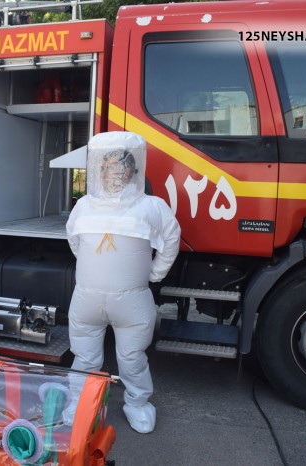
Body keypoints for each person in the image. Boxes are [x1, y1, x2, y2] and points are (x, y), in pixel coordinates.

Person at [65, 131, 181, 434]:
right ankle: (80, 402)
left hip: (132, 301)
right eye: (108, 166)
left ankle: (138, 403)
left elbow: (171, 238)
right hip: (87, 299)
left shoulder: (151, 206)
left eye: (120, 165)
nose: (114, 172)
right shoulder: (84, 205)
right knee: (84, 357)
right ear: (99, 169)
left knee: (132, 358)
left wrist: (154, 273)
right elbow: (74, 239)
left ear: (133, 169)